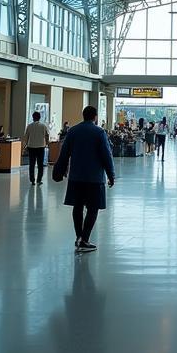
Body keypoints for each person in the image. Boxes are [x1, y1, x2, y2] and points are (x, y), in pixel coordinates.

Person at [52, 105, 115, 253]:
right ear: (95, 117)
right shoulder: (99, 132)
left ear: (83, 115)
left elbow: (64, 153)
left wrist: (60, 170)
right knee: (93, 209)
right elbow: (106, 155)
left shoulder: (73, 131)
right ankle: (85, 239)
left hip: (76, 177)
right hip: (94, 178)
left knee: (78, 207)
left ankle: (79, 237)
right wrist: (111, 174)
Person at [24, 111, 51, 186]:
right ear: (40, 117)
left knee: (31, 164)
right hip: (41, 147)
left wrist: (25, 146)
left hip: (31, 147)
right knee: (40, 164)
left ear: (33, 118)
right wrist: (47, 143)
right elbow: (47, 135)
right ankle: (39, 179)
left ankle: (32, 180)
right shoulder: (43, 126)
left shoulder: (29, 126)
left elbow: (26, 137)